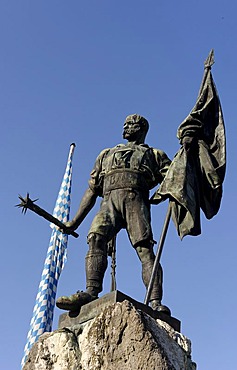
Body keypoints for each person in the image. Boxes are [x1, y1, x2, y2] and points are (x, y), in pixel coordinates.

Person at [56, 114, 171, 314]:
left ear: (142, 128)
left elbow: (174, 178)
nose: (125, 127)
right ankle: (91, 292)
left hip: (135, 201)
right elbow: (92, 190)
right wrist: (74, 222)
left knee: (144, 250)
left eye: (131, 124)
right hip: (108, 202)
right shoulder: (106, 154)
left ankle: (155, 301)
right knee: (95, 238)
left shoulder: (154, 154)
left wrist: (187, 150)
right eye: (124, 124)